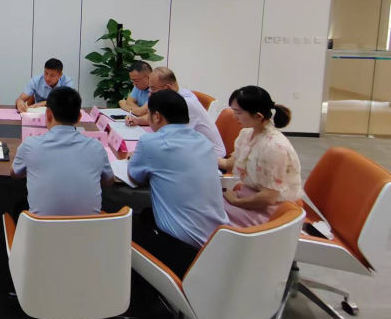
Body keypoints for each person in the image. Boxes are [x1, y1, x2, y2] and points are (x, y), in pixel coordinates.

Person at [127, 90, 229, 277]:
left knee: (122, 219)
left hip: (182, 250)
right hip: (218, 241)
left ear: (157, 117)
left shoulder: (151, 142)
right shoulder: (204, 142)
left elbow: (135, 176)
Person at [12, 87, 113, 215]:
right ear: (79, 117)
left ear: (48, 114)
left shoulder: (30, 145)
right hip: (89, 227)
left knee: (19, 207)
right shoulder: (97, 148)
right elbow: (109, 180)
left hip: (41, 228)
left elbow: (15, 174)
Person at [218, 86, 301, 227]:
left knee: (206, 212)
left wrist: (236, 201)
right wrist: (201, 157)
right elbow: (230, 163)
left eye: (238, 112)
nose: (234, 117)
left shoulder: (274, 147)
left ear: (258, 116)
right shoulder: (247, 134)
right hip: (249, 197)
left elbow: (269, 198)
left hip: (270, 211)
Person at [126, 67, 226, 158]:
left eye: (153, 88)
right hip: (190, 148)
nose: (150, 93)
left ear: (168, 88)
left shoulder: (185, 103)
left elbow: (174, 139)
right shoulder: (174, 96)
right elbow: (158, 120)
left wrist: (144, 153)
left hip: (210, 155)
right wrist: (137, 120)